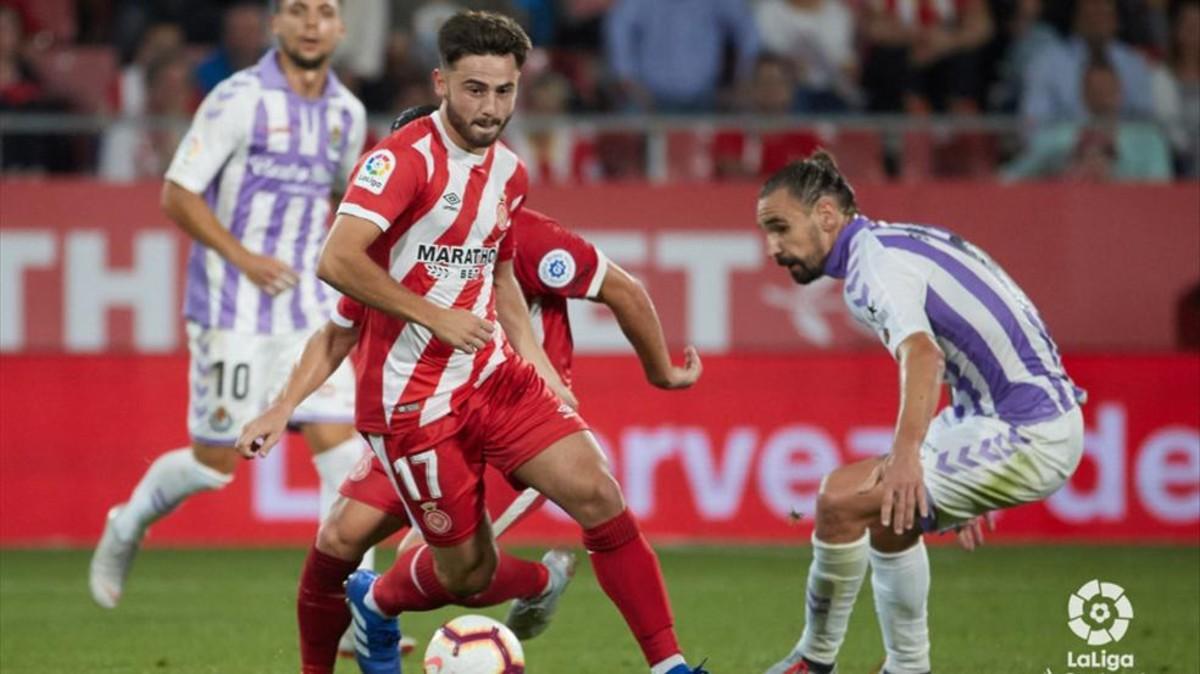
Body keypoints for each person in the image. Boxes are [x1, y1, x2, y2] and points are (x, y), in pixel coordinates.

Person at [281, 11, 706, 674]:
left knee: (598, 495)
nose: (491, 107)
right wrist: (284, 406)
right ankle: (388, 605)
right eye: (475, 90)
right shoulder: (397, 191)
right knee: (417, 559)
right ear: (441, 85)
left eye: (503, 91)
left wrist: (548, 367)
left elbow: (525, 276)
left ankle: (669, 665)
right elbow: (338, 289)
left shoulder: (509, 182)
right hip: (416, 409)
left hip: (494, 385)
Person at [89, 0, 370, 613]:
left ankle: (354, 610)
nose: (312, 23)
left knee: (344, 452)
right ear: (276, 24)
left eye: (325, 11)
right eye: (298, 10)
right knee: (214, 465)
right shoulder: (237, 99)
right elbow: (177, 193)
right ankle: (128, 522)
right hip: (231, 306)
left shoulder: (347, 114)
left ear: (341, 27)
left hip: (308, 309)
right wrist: (244, 258)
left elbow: (346, 199)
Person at [757, 152, 1085, 674]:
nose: (772, 248)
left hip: (1028, 429)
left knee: (839, 501)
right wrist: (959, 449)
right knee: (891, 514)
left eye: (780, 228)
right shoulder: (893, 243)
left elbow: (924, 355)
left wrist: (911, 457)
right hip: (995, 413)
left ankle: (813, 662)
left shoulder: (874, 269)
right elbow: (970, 344)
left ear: (826, 215)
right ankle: (907, 667)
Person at [1003, 56, 1172, 182]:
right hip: (1069, 209)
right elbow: (1010, 177)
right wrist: (1062, 171)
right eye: (1095, 89)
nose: (1103, 95)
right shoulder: (1055, 137)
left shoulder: (1148, 139)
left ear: (1120, 90)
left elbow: (1162, 191)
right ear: (1083, 93)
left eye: (1108, 88)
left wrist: (1113, 180)